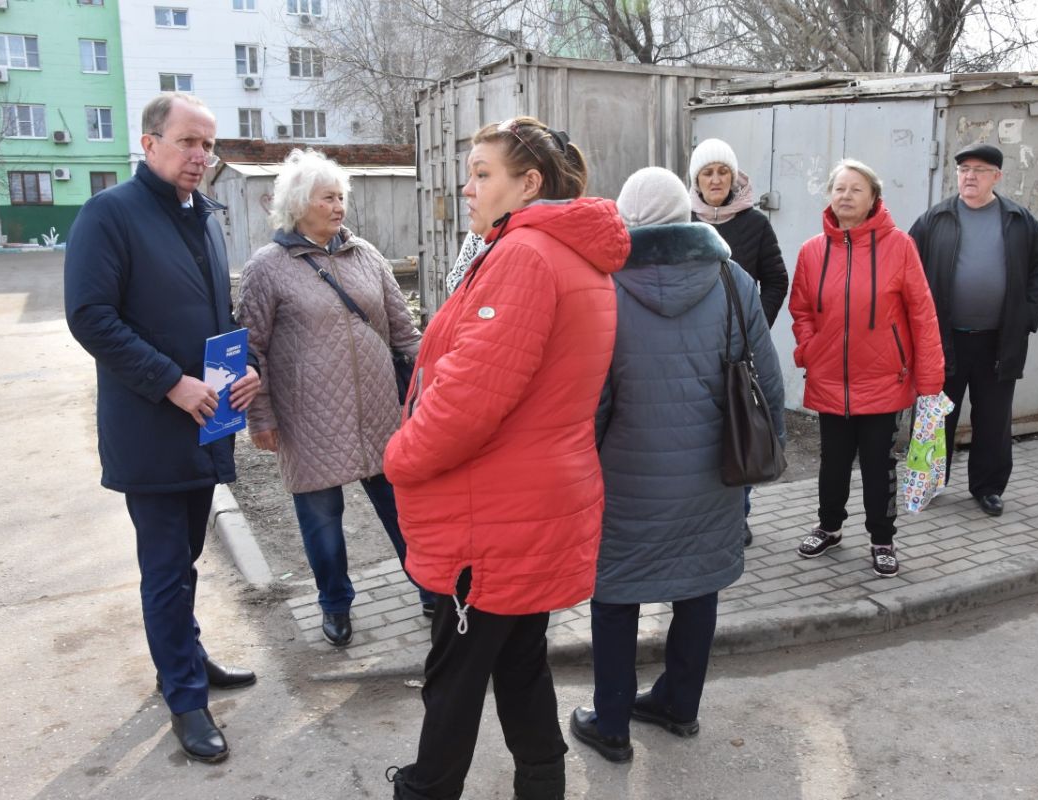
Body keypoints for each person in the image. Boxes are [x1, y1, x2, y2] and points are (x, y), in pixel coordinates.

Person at [382, 117, 629, 800]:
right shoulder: (559, 252)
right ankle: (542, 784)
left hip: (490, 515)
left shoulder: (525, 257)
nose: (467, 187)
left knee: (454, 679)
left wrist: (398, 457)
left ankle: (426, 789)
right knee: (520, 663)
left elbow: (466, 399)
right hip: (529, 505)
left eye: (482, 173)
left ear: (530, 183)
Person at [64, 92, 260, 764]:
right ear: (148, 144)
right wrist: (170, 382)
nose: (200, 156)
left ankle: (188, 657)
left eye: (208, 144)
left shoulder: (203, 217)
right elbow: (90, 317)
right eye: (186, 142)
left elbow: (219, 311)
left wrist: (247, 367)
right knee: (165, 566)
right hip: (151, 426)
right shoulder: (109, 215)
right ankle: (183, 695)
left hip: (208, 421)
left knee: (186, 559)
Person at [570, 168, 785, 763]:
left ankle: (611, 722)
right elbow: (765, 378)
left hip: (622, 477)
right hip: (714, 473)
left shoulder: (601, 285)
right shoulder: (731, 278)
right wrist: (777, 449)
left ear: (625, 218)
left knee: (613, 593)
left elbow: (589, 397)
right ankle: (679, 706)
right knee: (699, 586)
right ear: (685, 214)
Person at [235, 149, 433, 649]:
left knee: (404, 507)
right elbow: (249, 349)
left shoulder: (365, 255)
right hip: (309, 420)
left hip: (379, 413)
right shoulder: (268, 268)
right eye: (328, 197)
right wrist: (261, 416)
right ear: (300, 204)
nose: (339, 205)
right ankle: (335, 604)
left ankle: (431, 588)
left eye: (342, 196)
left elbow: (403, 332)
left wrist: (432, 381)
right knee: (322, 521)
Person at [789, 159, 944, 577]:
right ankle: (829, 527)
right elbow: (801, 309)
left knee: (878, 464)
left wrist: (930, 381)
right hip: (829, 380)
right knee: (832, 461)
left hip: (882, 380)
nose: (846, 196)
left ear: (874, 197)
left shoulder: (900, 246)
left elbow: (922, 316)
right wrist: (808, 347)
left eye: (856, 189)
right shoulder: (811, 251)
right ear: (829, 196)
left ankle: (882, 538)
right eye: (839, 188)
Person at [909, 143, 1038, 517]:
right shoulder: (935, 219)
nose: (970, 176)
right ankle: (927, 484)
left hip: (998, 340)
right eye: (963, 169)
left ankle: (988, 488)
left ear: (997, 177)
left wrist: (1027, 317)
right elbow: (906, 270)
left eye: (979, 169)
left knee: (993, 419)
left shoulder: (1018, 220)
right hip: (944, 339)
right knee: (936, 414)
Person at [689, 137, 789, 546]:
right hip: (694, 349)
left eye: (723, 172)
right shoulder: (686, 222)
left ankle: (738, 515)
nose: (716, 179)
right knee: (700, 436)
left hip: (740, 355)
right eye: (708, 172)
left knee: (740, 430)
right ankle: (700, 514)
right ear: (695, 179)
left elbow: (776, 280)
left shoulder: (755, 223)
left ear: (734, 177)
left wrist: (754, 328)